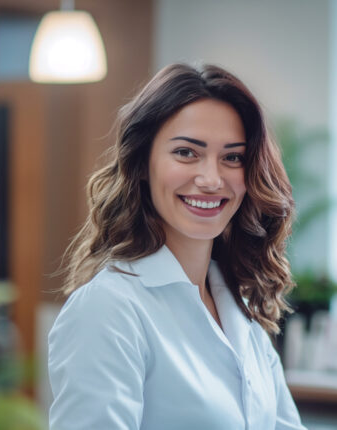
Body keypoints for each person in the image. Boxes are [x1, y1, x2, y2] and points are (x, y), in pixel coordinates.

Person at [48, 63, 306, 430]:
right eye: (186, 153)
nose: (211, 179)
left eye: (232, 157)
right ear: (142, 164)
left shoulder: (241, 311)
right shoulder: (109, 309)